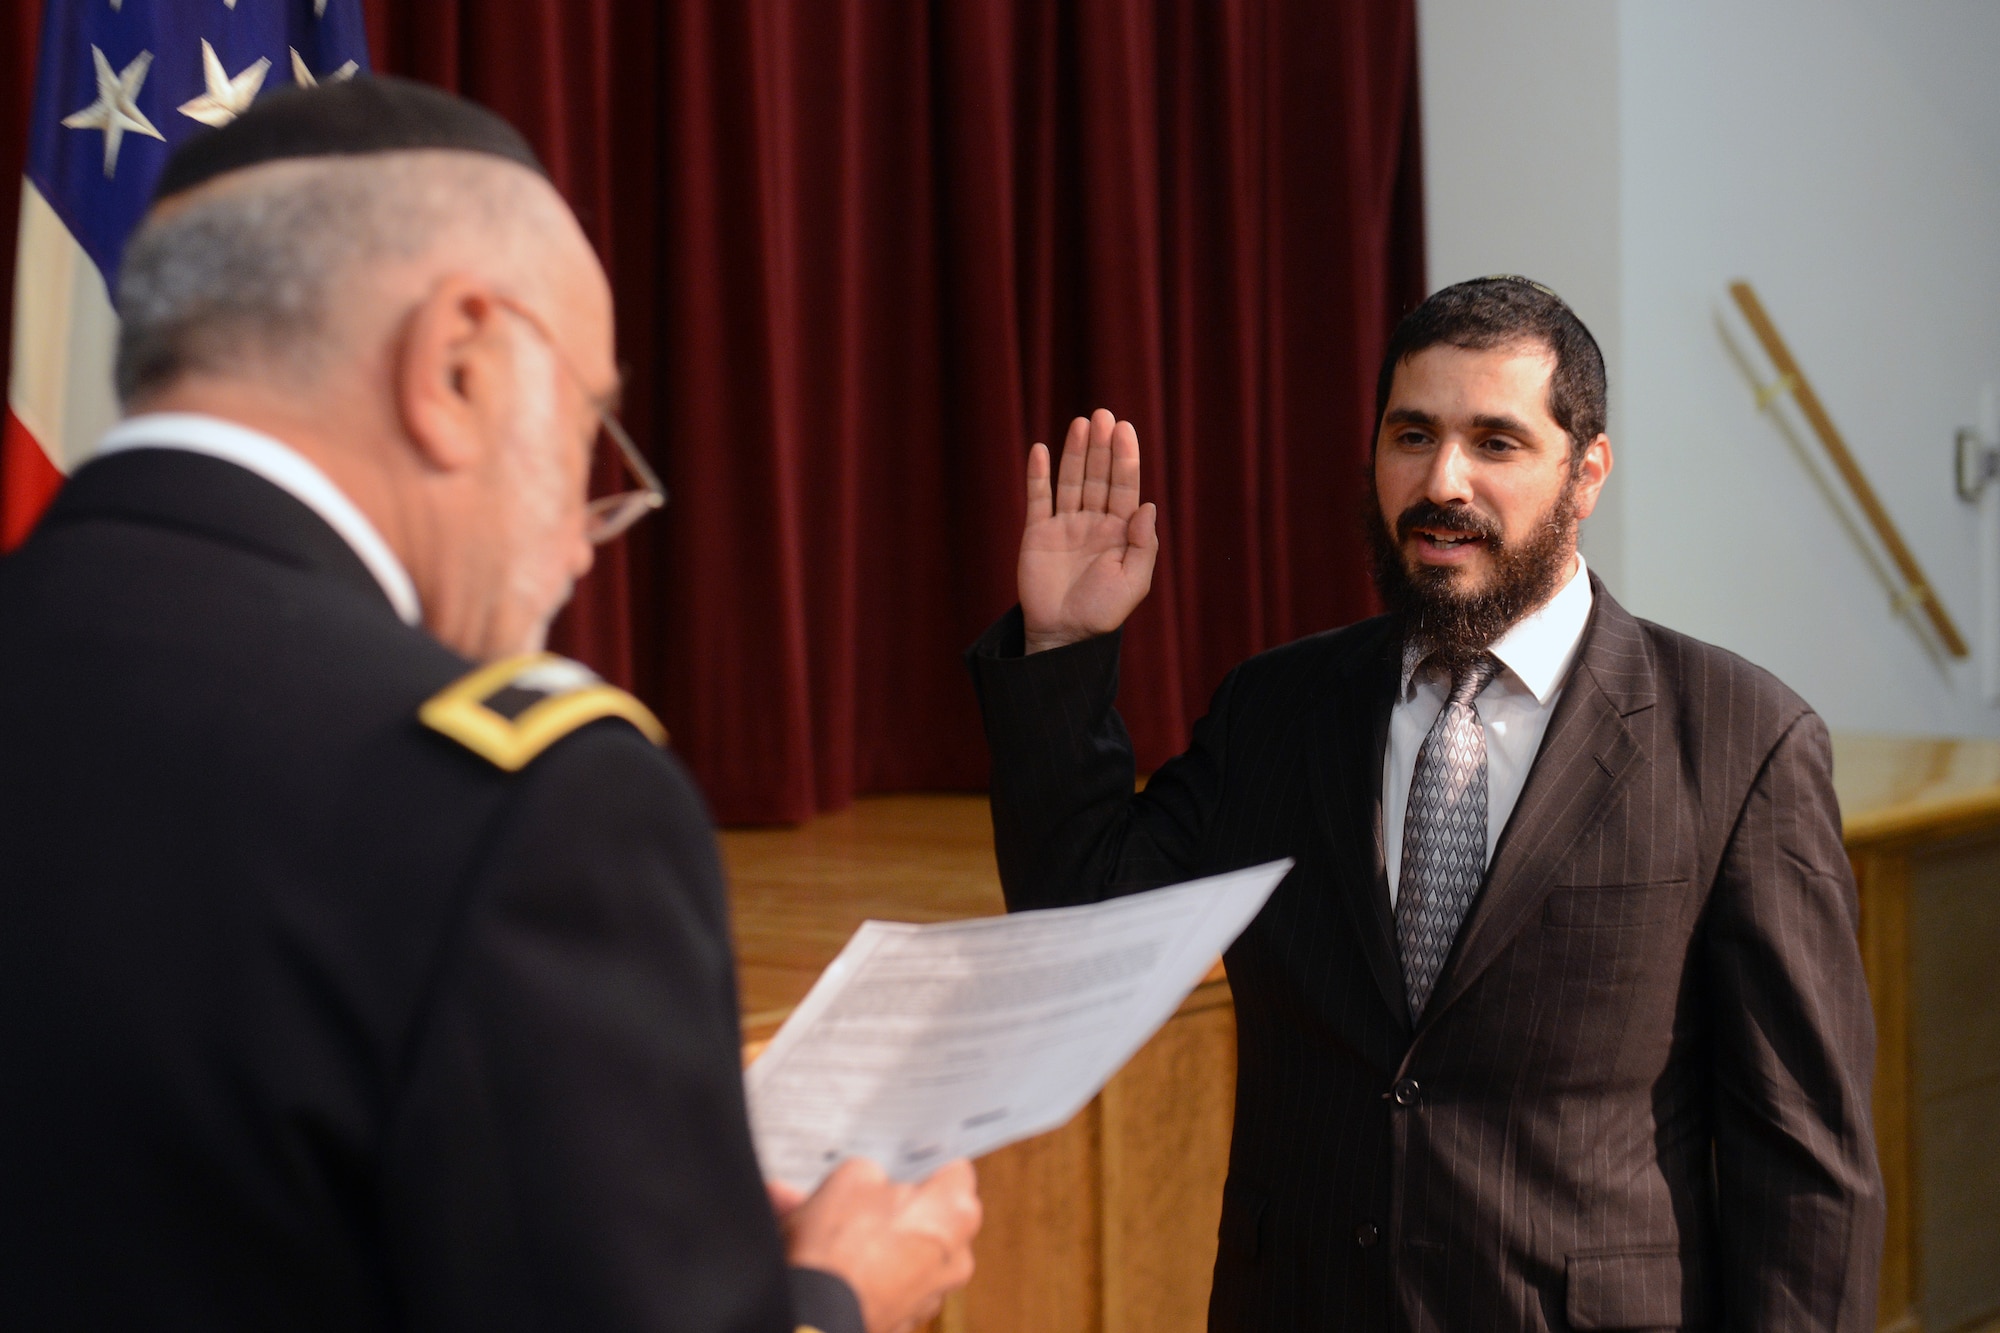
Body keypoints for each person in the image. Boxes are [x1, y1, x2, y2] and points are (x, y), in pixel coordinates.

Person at [0, 78, 978, 1333]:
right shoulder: (517, 806)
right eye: (587, 427)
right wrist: (836, 1299)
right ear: (455, 363)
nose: (583, 544)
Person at [966, 276, 1882, 1331]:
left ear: (1585, 473)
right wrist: (1064, 650)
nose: (1440, 480)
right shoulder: (1276, 708)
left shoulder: (1736, 738)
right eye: (1411, 435)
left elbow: (1805, 1161)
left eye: (1494, 442)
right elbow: (1080, 917)